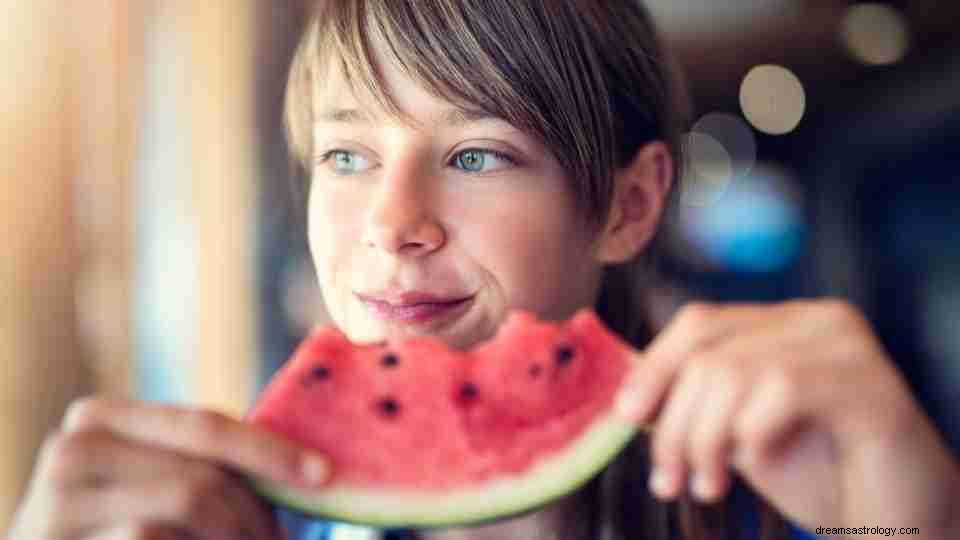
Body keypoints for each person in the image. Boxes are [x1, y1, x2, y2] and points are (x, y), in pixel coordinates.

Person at [9, 1, 960, 539]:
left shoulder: (802, 511)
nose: (392, 223)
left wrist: (909, 527)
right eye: (347, 157)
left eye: (475, 155)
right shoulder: (216, 528)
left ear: (629, 206)